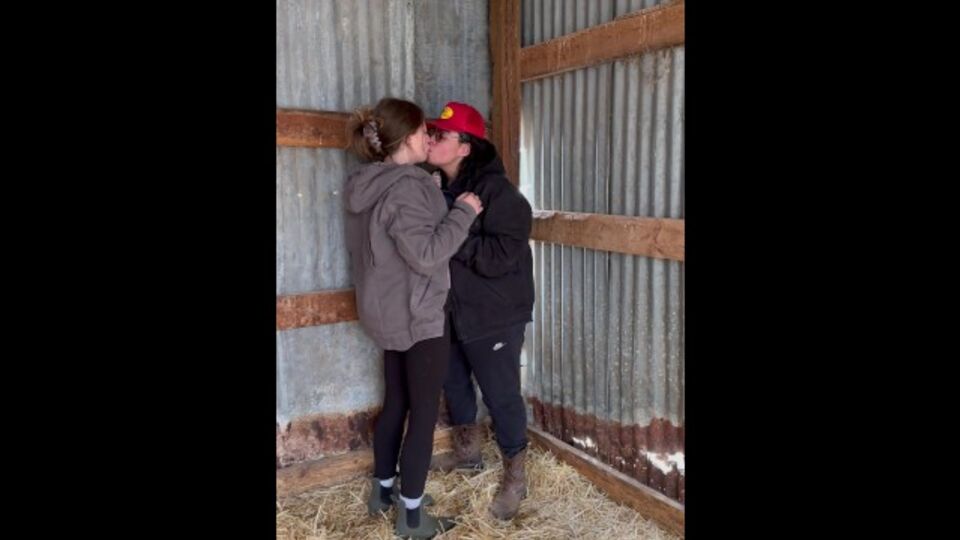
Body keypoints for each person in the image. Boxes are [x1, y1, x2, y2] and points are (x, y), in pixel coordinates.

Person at [344, 97, 484, 538]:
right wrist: (464, 212)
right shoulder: (408, 187)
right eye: (427, 132)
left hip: (386, 312)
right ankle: (412, 516)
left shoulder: (367, 183)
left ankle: (382, 492)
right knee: (422, 414)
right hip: (419, 313)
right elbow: (426, 254)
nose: (432, 137)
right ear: (407, 140)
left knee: (397, 404)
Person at [425, 101, 535, 520]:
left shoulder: (500, 195)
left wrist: (453, 232)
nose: (433, 140)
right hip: (452, 308)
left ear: (466, 147)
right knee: (453, 381)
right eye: (432, 134)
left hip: (495, 313)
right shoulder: (438, 187)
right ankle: (468, 454)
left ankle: (515, 476)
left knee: (501, 394)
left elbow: (498, 258)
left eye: (442, 135)